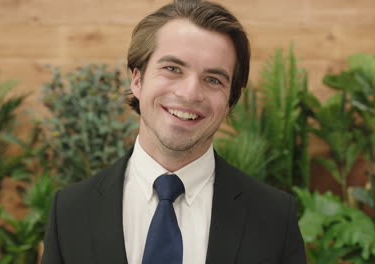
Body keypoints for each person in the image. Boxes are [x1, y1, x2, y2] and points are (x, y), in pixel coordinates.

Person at [42, 0, 306, 263]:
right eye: (172, 69)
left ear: (230, 101)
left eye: (213, 79)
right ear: (137, 79)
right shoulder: (69, 211)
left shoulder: (274, 218)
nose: (190, 93)